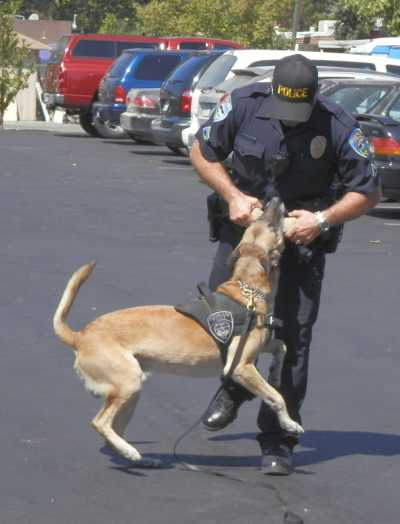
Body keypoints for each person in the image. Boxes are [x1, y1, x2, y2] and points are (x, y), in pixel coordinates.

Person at [189, 54, 381, 475]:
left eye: (300, 111)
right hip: (245, 242)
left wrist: (323, 219)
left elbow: (368, 191)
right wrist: (233, 196)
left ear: (315, 99)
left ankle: (278, 439)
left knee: (292, 339)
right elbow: (202, 152)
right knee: (223, 320)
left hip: (302, 241)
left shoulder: (338, 124)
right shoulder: (244, 104)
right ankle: (233, 389)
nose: (291, 119)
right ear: (272, 92)